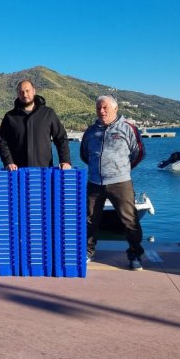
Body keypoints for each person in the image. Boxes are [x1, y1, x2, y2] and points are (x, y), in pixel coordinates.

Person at [80, 95, 146, 270]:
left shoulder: (128, 128)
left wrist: (122, 169)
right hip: (95, 183)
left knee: (130, 221)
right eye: (98, 108)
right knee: (90, 220)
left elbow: (138, 153)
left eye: (105, 108)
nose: (101, 111)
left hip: (121, 183)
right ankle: (88, 252)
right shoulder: (90, 131)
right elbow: (84, 154)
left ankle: (135, 255)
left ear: (115, 109)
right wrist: (98, 168)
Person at [0, 80, 72, 170]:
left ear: (34, 91)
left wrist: (65, 161)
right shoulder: (9, 117)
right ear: (18, 94)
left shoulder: (48, 113)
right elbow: (2, 143)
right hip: (17, 173)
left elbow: (61, 139)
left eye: (27, 91)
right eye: (21, 92)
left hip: (44, 172)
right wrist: (8, 162)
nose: (24, 95)